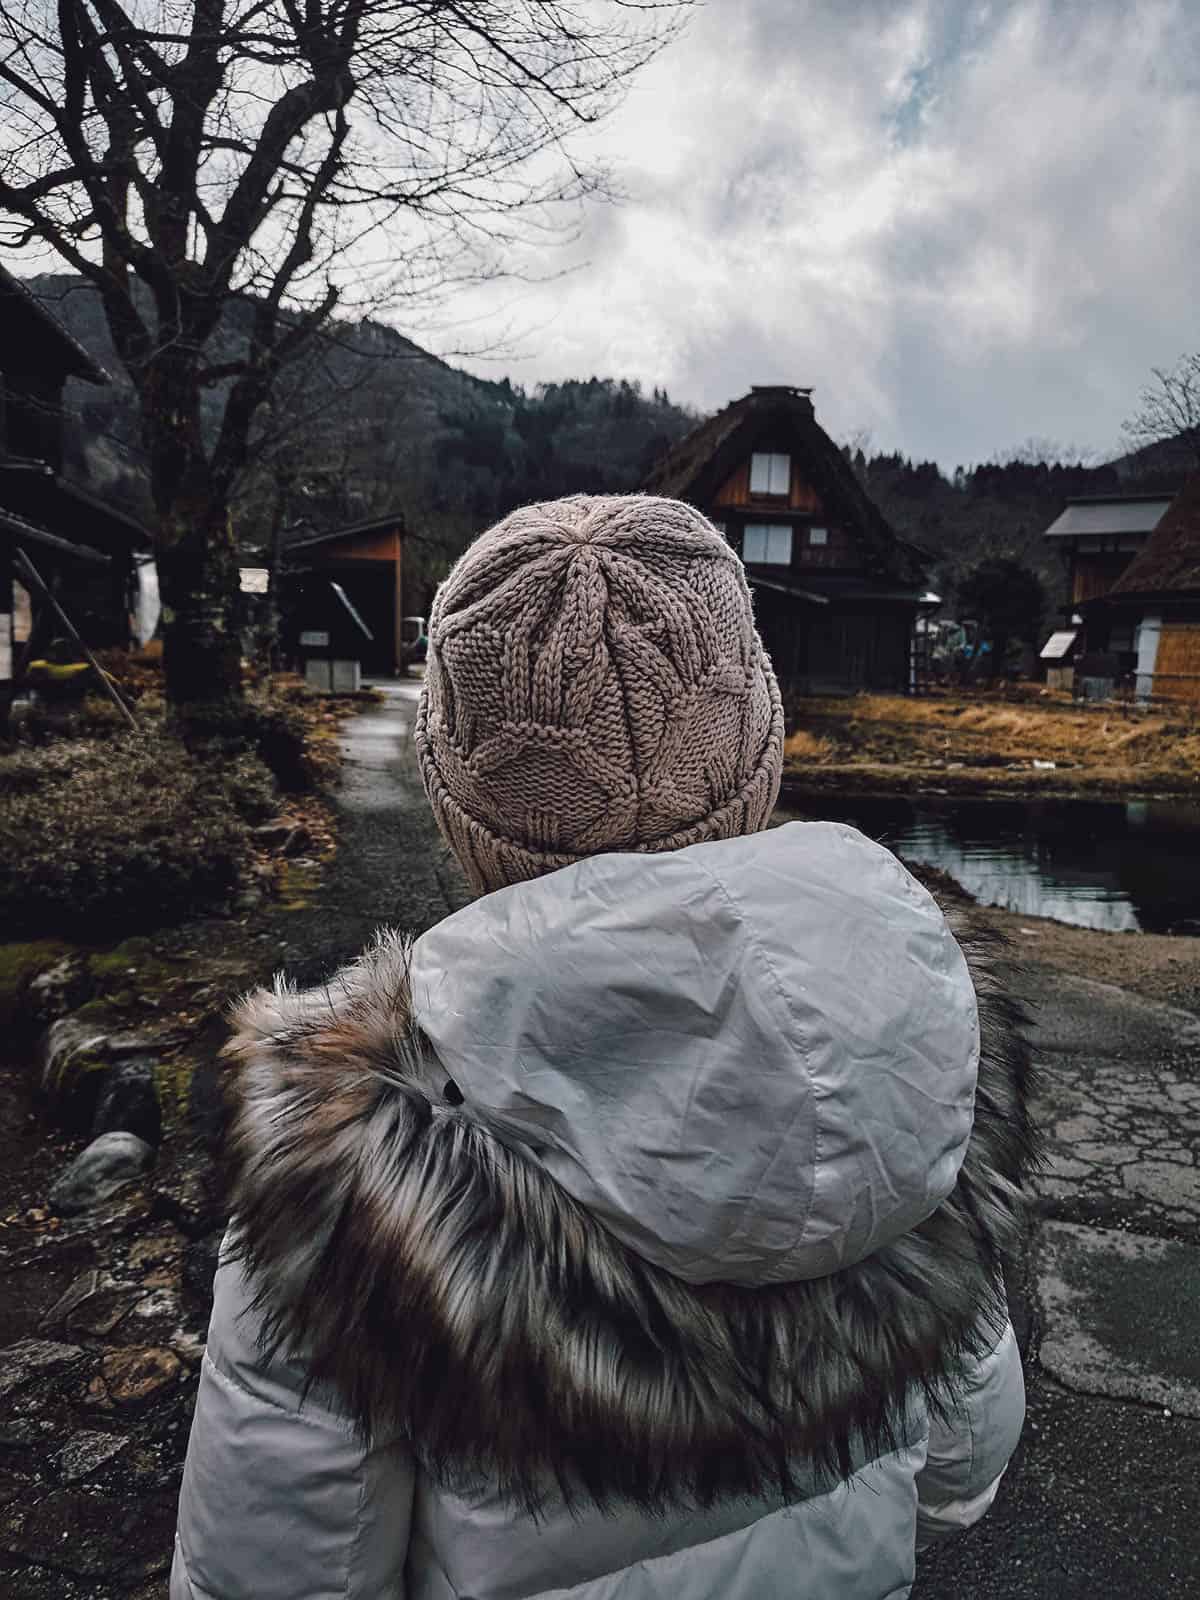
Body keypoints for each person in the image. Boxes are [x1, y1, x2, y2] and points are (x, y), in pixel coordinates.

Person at [170, 494, 1034, 1600]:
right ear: (754, 750)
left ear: (465, 805)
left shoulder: (348, 1157)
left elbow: (276, 1565)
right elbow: (964, 1464)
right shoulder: (903, 1032)